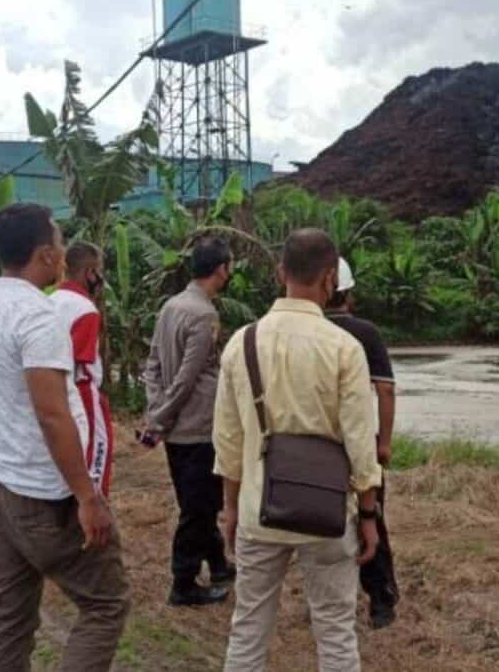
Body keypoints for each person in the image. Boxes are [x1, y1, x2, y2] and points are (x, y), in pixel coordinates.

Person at [0, 203, 129, 670]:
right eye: (56, 240)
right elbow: (53, 415)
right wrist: (87, 496)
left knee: (10, 614)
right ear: (46, 256)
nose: (60, 247)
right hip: (42, 496)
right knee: (106, 603)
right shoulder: (38, 317)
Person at [214, 229, 382, 672]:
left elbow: (228, 441)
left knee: (248, 629)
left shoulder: (241, 343)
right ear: (331, 280)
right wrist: (368, 515)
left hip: (256, 508)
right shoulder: (345, 348)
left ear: (280, 273)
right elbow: (361, 445)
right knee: (335, 632)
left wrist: (230, 509)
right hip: (327, 515)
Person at [142, 237, 235, 606]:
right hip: (197, 425)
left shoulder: (171, 306)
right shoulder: (204, 315)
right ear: (221, 269)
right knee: (198, 508)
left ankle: (218, 563)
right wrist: (159, 418)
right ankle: (183, 582)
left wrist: (156, 411)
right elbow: (188, 376)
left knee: (197, 500)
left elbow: (153, 365)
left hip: (177, 428)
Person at [325, 257, 400, 629]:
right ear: (348, 293)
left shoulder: (309, 329)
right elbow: (385, 390)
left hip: (317, 445)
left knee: (323, 519)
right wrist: (383, 442)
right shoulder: (365, 333)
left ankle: (328, 599)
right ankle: (381, 601)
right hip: (361, 444)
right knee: (371, 519)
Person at [51, 242, 114, 497]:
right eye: (99, 271)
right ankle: (96, 507)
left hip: (53, 393)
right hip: (82, 392)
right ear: (90, 272)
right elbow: (81, 363)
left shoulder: (48, 301)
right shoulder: (85, 309)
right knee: (97, 453)